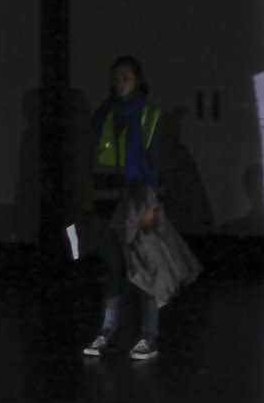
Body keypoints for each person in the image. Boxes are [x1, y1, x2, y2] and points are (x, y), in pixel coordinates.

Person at [83, 56, 196, 360]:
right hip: (107, 199)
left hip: (136, 200)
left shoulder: (148, 115)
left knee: (146, 268)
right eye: (115, 77)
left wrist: (152, 204)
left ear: (137, 80)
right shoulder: (106, 112)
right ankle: (107, 331)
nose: (119, 82)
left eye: (125, 77)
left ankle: (149, 335)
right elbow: (92, 153)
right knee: (113, 271)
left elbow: (156, 163)